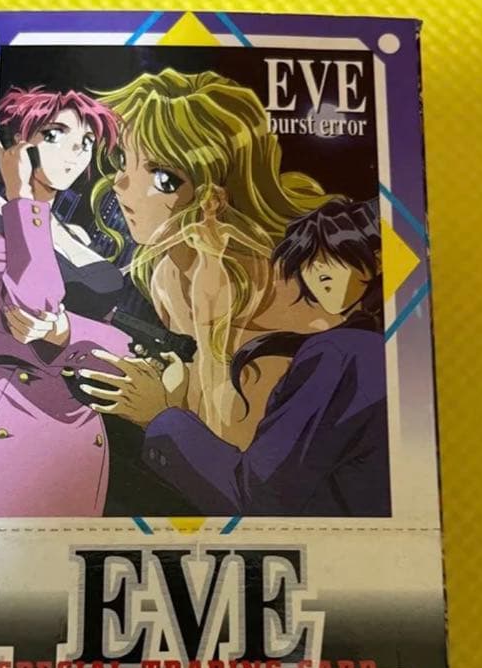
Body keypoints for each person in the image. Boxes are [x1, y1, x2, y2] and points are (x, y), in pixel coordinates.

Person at [77, 198, 391, 517]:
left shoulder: (345, 353)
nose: (316, 271)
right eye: (309, 258)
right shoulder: (360, 348)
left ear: (378, 260)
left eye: (331, 255)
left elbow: (258, 499)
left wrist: (158, 414)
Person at [90, 68, 336, 449]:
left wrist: (159, 413)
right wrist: (175, 387)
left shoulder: (264, 287)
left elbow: (236, 449)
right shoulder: (166, 276)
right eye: (123, 158)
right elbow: (204, 393)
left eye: (163, 178)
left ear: (215, 197)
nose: (122, 184)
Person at [0, 86, 129, 518]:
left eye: (86, 142)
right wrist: (21, 198)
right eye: (53, 135)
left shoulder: (74, 233)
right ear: (16, 143)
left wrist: (71, 332)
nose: (74, 153)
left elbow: (120, 341)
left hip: (81, 430)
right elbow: (31, 310)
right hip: (15, 422)